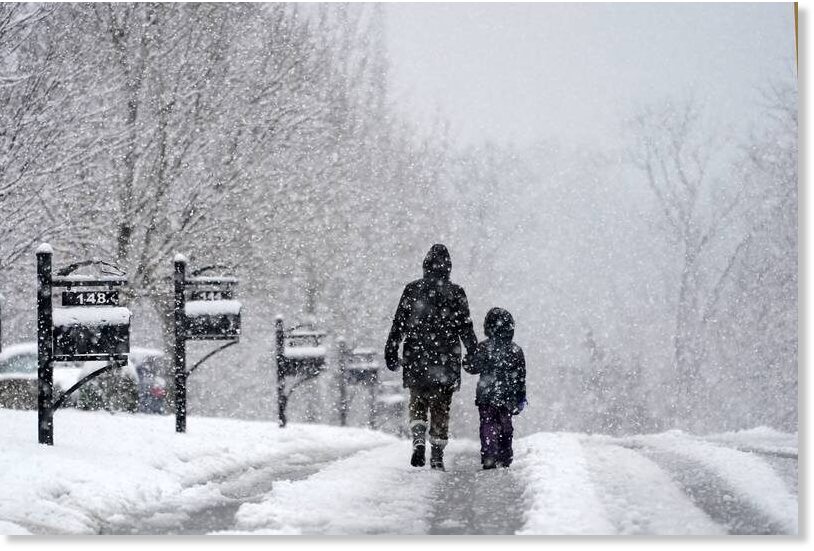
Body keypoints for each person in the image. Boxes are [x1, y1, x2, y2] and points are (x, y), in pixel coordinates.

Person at [385, 244, 478, 471]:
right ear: (448, 267)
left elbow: (399, 323)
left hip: (417, 356)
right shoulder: (456, 293)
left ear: (425, 265)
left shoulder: (412, 290)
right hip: (446, 358)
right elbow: (465, 327)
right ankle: (436, 454)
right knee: (441, 406)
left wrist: (391, 349)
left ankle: (418, 437)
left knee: (417, 401)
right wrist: (474, 352)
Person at [464, 307, 526, 469]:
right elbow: (520, 377)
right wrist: (520, 397)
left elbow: (473, 368)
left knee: (487, 423)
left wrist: (467, 361)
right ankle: (505, 454)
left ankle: (489, 453)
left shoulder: (484, 347)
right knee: (506, 425)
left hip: (486, 395)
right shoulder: (516, 350)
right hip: (508, 396)